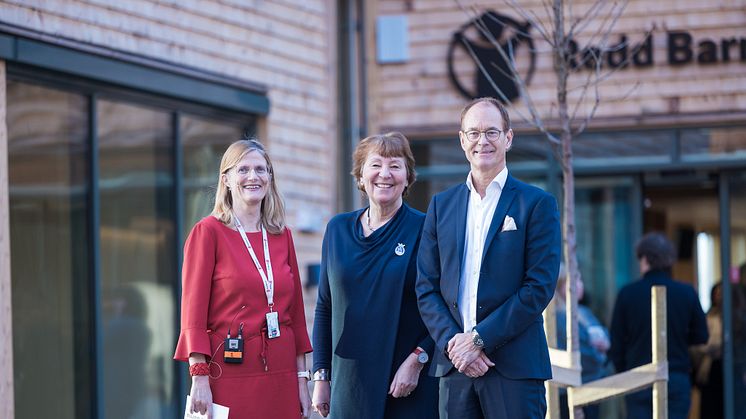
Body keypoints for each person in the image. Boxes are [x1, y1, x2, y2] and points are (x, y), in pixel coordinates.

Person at [416, 97, 561, 419]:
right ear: (462, 140)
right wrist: (456, 344)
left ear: (508, 138)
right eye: (474, 133)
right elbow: (426, 287)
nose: (483, 141)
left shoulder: (536, 203)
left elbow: (538, 287)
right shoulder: (441, 205)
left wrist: (479, 340)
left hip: (514, 368)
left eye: (492, 132)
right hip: (455, 369)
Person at [173, 139, 313, 419]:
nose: (253, 177)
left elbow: (296, 315)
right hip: (228, 372)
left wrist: (302, 379)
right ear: (226, 179)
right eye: (243, 169)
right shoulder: (208, 232)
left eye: (261, 169)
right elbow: (193, 315)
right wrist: (199, 377)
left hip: (282, 374)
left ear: (270, 178)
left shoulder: (280, 234)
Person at [311, 132, 438, 419]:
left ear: (407, 177)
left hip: (406, 383)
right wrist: (321, 376)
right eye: (375, 164)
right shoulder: (337, 229)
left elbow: (445, 305)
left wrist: (418, 359)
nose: (385, 174)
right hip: (349, 383)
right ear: (360, 175)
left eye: (395, 165)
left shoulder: (426, 228)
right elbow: (325, 307)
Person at [609, 232, 708, 419]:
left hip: (637, 377)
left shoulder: (628, 294)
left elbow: (616, 342)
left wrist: (625, 371)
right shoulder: (686, 292)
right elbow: (701, 335)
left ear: (644, 259)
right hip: (675, 375)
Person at [554, 267, 610, 419]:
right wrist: (600, 355)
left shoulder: (584, 311)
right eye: (574, 280)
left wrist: (603, 346)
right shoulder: (556, 317)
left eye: (580, 279)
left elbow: (604, 336)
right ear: (559, 286)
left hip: (591, 387)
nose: (580, 284)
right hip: (569, 391)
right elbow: (585, 356)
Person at [691, 282, 723, 419]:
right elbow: (702, 343)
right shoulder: (708, 317)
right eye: (717, 293)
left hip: (726, 367)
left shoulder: (733, 318)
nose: (719, 297)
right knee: (711, 407)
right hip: (710, 368)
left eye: (722, 293)